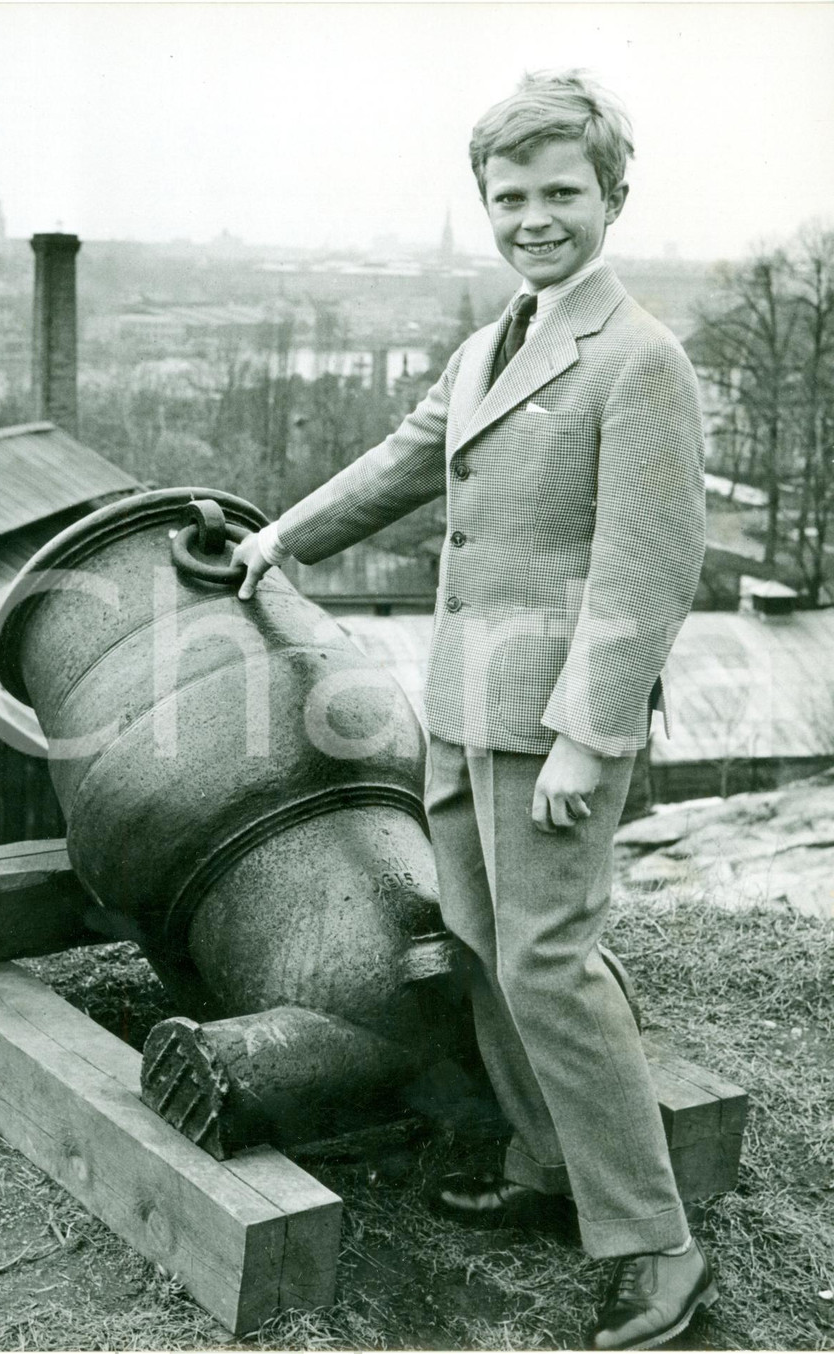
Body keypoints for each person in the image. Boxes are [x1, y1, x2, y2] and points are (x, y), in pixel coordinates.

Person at [232, 69, 713, 1351]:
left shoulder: (640, 361)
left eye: (563, 192)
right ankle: (545, 1160)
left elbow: (646, 569)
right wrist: (279, 535)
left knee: (549, 960)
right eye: (511, 196)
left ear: (613, 195)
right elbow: (402, 458)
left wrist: (588, 735)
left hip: (551, 724)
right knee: (485, 944)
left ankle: (655, 1236)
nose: (535, 217)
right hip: (459, 704)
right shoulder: (495, 337)